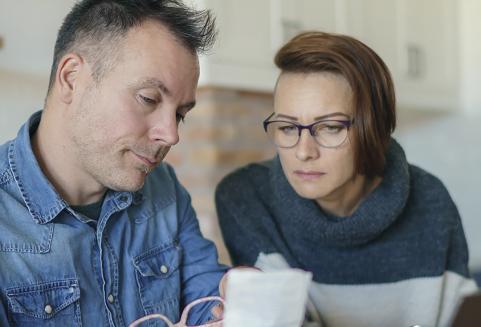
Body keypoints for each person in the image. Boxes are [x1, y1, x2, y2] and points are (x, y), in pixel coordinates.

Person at [215, 31, 479, 327]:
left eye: (329, 127)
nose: (304, 152)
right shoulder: (247, 199)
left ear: (375, 130)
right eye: (288, 128)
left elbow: (465, 316)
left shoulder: (431, 201)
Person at [0, 0, 229, 326]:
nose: (171, 135)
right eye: (149, 98)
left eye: (180, 114)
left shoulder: (165, 189)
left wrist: (239, 300)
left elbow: (209, 299)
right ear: (71, 78)